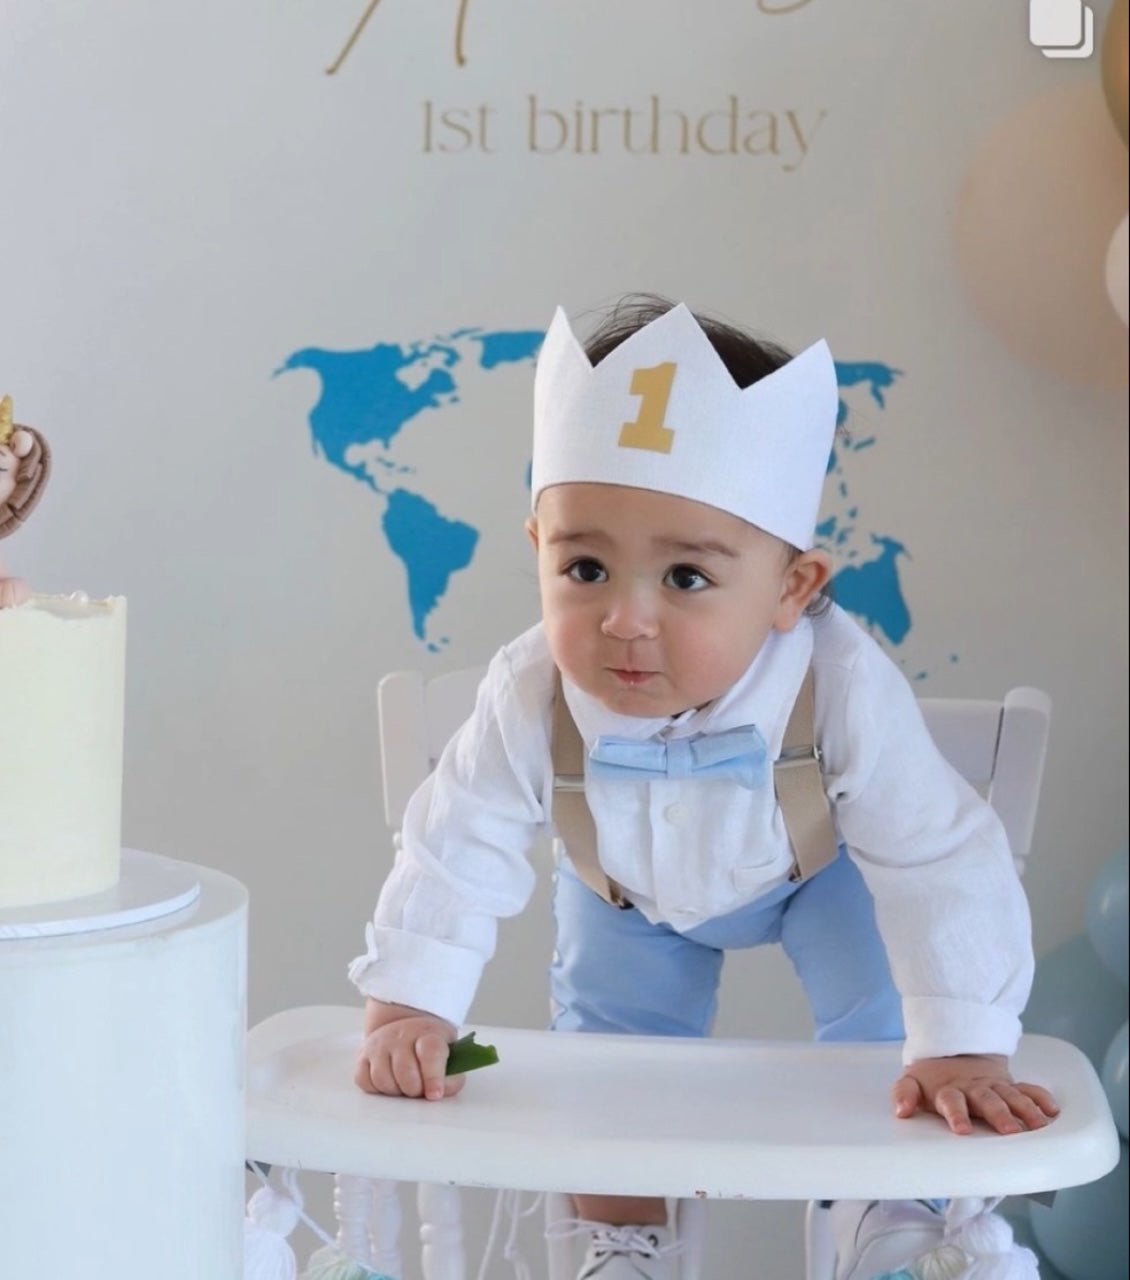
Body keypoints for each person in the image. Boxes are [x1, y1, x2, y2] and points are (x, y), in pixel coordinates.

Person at [349, 295, 1058, 1280]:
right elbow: (455, 838)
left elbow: (937, 852)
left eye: (684, 578)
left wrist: (965, 1038)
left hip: (821, 870)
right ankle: (622, 1234)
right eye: (584, 566)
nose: (625, 619)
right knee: (610, 1054)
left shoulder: (840, 682)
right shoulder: (526, 689)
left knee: (886, 1034)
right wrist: (411, 1003)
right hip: (622, 888)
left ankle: (895, 1212)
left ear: (790, 588)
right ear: (537, 550)